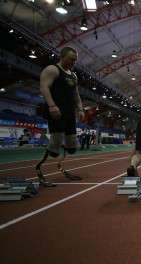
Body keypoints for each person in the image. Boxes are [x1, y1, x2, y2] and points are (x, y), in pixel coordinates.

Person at [35, 46, 84, 187]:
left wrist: (80, 109)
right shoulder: (52, 70)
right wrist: (51, 105)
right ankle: (40, 167)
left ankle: (60, 155)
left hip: (69, 113)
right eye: (71, 59)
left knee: (72, 146)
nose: (73, 63)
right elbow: (44, 87)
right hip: (56, 111)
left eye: (75, 60)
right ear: (62, 57)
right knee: (55, 146)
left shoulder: (73, 75)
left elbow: (76, 94)